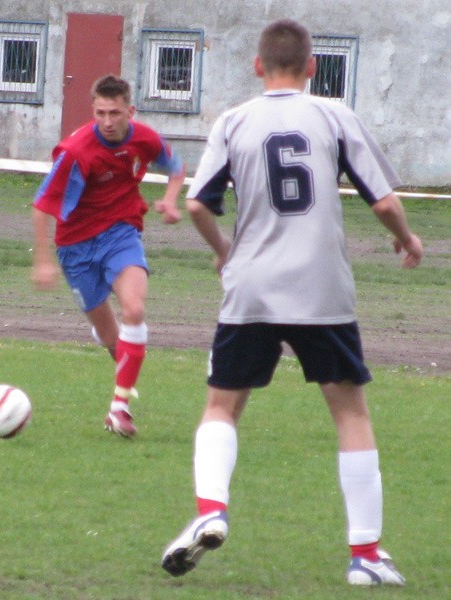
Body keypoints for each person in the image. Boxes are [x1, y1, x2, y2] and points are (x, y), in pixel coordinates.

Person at [161, 19, 422, 586]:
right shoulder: (333, 114)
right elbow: (381, 201)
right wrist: (407, 238)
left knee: (221, 407)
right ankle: (366, 557)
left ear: (258, 67)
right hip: (321, 288)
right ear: (312, 68)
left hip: (251, 287)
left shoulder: (233, 122)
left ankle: (211, 511)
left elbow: (200, 205)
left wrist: (226, 253)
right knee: (349, 411)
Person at [32, 74, 186, 438]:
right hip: (76, 247)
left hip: (120, 233)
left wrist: (170, 198)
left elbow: (175, 166)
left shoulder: (143, 138)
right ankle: (123, 371)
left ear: (129, 111)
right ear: (93, 110)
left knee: (134, 309)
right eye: (100, 112)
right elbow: (41, 208)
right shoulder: (76, 152)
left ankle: (119, 410)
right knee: (108, 334)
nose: (107, 121)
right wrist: (42, 260)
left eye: (115, 113)